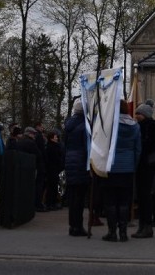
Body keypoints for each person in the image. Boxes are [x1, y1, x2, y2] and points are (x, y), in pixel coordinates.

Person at [100, 100, 141, 242]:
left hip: (111, 167)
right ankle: (123, 232)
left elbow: (103, 145)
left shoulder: (109, 125)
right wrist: (133, 164)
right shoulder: (135, 126)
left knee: (110, 201)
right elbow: (138, 149)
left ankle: (112, 232)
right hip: (128, 167)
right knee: (124, 201)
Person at [133, 102, 155, 238]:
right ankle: (143, 225)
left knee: (145, 196)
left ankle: (146, 226)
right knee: (142, 196)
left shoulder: (149, 127)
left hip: (146, 165)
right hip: (143, 165)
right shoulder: (144, 126)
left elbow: (148, 145)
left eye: (138, 113)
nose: (136, 115)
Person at [63, 99, 90, 236]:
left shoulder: (68, 125)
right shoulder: (84, 126)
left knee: (73, 197)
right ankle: (78, 226)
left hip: (70, 161)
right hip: (80, 163)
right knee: (79, 198)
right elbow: (87, 147)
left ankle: (72, 225)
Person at [44, 130, 64, 211]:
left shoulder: (50, 146)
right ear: (52, 138)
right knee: (52, 186)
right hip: (53, 169)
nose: (57, 138)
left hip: (52, 169)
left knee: (52, 186)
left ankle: (50, 203)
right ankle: (51, 203)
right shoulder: (53, 147)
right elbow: (56, 158)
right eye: (55, 137)